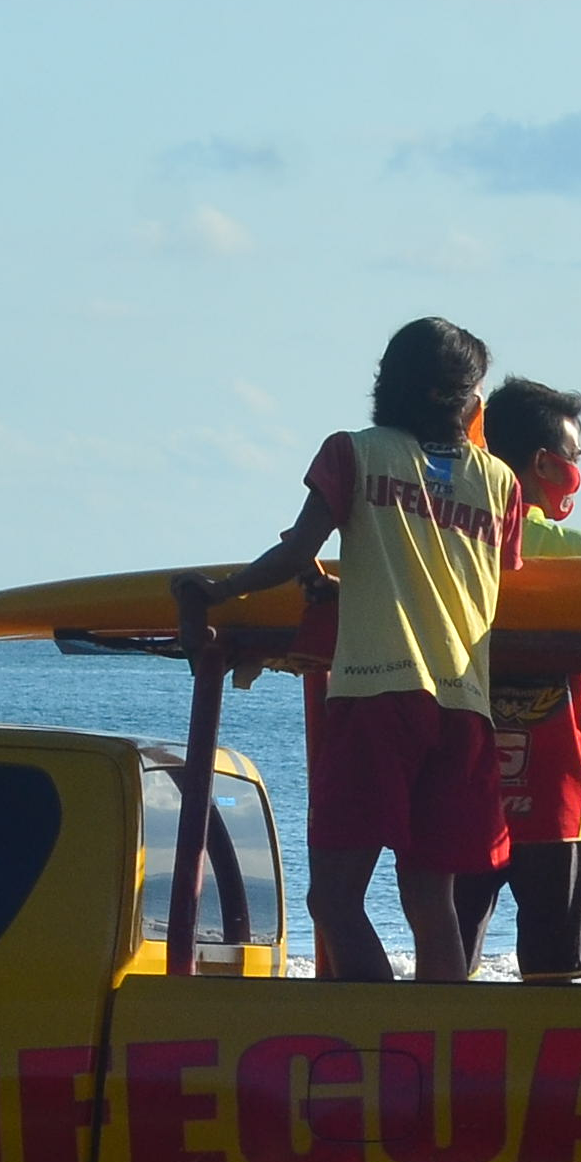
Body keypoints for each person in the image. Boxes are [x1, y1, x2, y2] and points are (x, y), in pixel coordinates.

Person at [212, 317, 519, 984]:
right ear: (465, 397)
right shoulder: (501, 484)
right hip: (465, 708)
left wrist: (221, 591)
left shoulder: (353, 452)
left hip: (377, 692)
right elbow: (456, 571)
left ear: (390, 382)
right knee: (430, 902)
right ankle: (438, 1050)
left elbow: (298, 549)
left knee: (334, 897)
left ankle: (383, 1038)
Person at [459, 376, 581, 982]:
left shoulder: (452, 538)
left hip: (465, 779)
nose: (578, 472)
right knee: (558, 974)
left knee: (449, 958)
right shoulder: (578, 551)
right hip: (556, 794)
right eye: (574, 460)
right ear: (545, 464)